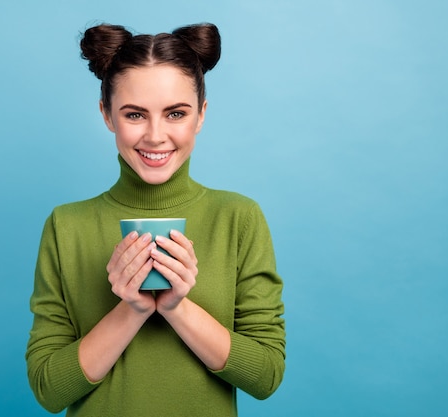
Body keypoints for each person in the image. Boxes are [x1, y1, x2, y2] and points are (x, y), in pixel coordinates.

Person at [26, 22, 285, 417]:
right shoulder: (66, 226)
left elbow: (265, 376)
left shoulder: (238, 218)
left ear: (200, 115)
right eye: (134, 115)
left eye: (175, 113)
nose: (155, 135)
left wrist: (176, 307)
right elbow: (48, 389)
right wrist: (131, 309)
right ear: (107, 115)